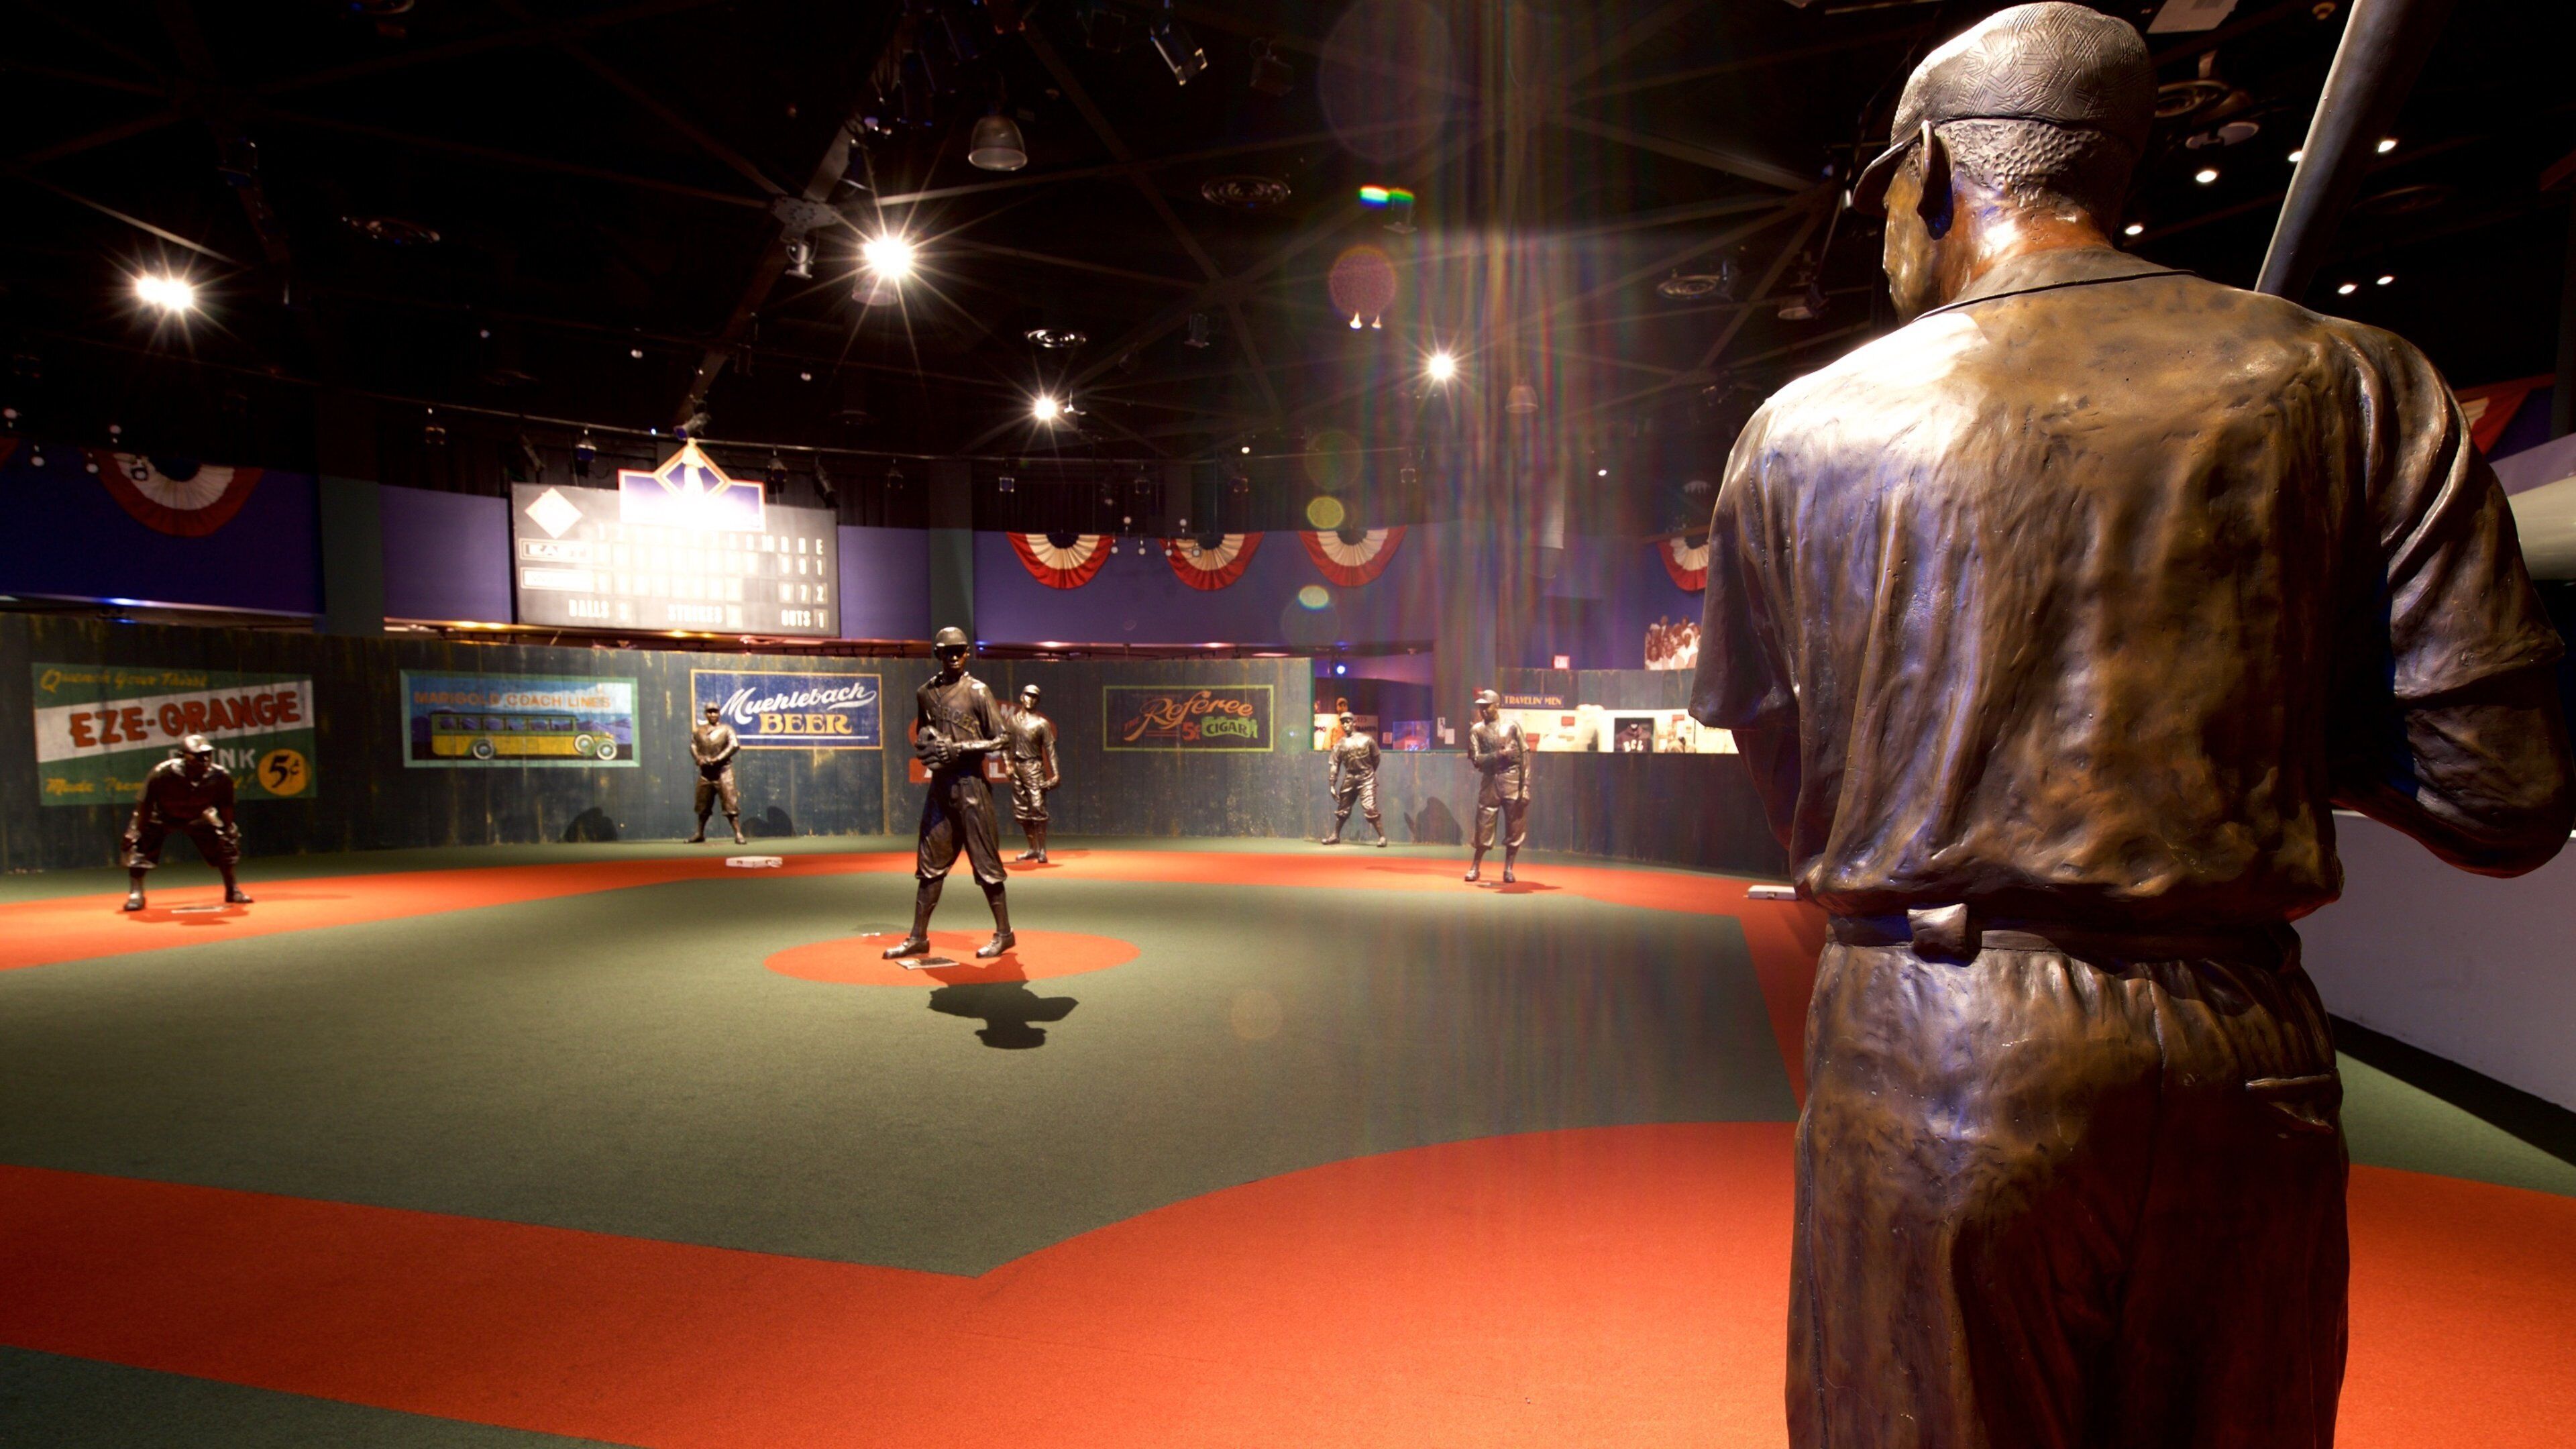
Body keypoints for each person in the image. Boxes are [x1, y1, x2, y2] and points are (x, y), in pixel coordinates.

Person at [1688, 7, 2574, 1448]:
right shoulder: (2357, 379)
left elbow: (1799, 798)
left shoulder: (1802, 431)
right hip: (2242, 1057)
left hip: (1936, 1044)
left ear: (1929, 177)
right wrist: (2258, 708)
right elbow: (2507, 797)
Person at [884, 627, 1015, 961]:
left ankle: (1004, 933)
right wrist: (928, 746)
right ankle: (918, 937)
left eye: (960, 650)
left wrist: (960, 748)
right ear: (938, 654)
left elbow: (1001, 739)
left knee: (987, 866)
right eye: (948, 651)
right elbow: (923, 734)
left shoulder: (977, 691)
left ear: (968, 652)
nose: (955, 656)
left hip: (972, 786)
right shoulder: (925, 693)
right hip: (941, 788)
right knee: (930, 867)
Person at [120, 733, 250, 912]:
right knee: (139, 844)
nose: (204, 759)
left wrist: (229, 828)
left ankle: (232, 889)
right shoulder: (162, 774)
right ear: (182, 756)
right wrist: (135, 830)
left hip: (199, 815)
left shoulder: (221, 776)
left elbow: (226, 805)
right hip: (162, 815)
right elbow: (145, 803)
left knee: (225, 842)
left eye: (208, 754)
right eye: (198, 755)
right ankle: (136, 894)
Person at [1465, 689, 1529, 882]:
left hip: (1512, 780)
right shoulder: (1476, 730)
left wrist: (1525, 785)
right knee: (1483, 825)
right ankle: (1475, 866)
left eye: (1487, 706)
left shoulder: (1511, 726)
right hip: (1490, 781)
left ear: (1497, 705)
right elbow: (1477, 760)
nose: (1483, 710)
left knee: (1515, 828)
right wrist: (1499, 755)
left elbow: (1525, 756)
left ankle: (1508, 869)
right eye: (1480, 707)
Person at [1004, 682, 1060, 863]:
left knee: (1038, 808)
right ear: (1022, 697)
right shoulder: (1012, 721)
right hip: (1018, 768)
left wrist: (1056, 774)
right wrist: (1008, 764)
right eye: (1028, 695)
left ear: (1038, 701)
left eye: (1034, 697)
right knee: (1022, 811)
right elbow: (1004, 744)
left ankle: (1042, 850)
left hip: (1034, 767)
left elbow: (1050, 750)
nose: (1030, 699)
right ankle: (1032, 849)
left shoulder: (1042, 724)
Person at [1320, 710, 1387, 846]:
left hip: (1366, 778)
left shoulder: (1367, 739)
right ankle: (1335, 836)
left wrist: (1369, 774)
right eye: (1343, 723)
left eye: (1348, 722)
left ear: (1354, 722)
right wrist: (1332, 785)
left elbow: (1376, 757)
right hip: (1350, 778)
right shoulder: (1340, 744)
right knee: (1342, 809)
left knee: (1370, 808)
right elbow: (1334, 765)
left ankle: (1382, 837)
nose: (1346, 725)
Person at [688, 702, 744, 845]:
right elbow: (693, 745)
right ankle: (700, 833)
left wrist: (717, 759)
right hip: (706, 773)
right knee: (702, 805)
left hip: (723, 772)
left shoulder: (726, 729)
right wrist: (698, 759)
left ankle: (738, 833)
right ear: (705, 714)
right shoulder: (699, 731)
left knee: (731, 804)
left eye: (715, 712)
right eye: (709, 712)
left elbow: (734, 745)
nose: (712, 714)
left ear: (719, 713)